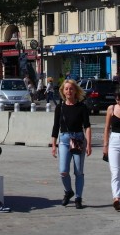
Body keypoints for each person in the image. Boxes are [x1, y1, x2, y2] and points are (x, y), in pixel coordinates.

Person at [51, 79, 91, 209]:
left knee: (78, 171)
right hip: (64, 141)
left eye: (71, 89)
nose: (69, 91)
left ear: (75, 91)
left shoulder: (82, 107)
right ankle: (68, 191)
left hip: (78, 139)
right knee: (63, 171)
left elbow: (87, 126)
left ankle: (78, 198)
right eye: (66, 89)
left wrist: (89, 144)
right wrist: (53, 144)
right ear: (63, 91)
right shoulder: (60, 107)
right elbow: (56, 126)